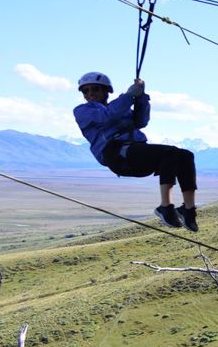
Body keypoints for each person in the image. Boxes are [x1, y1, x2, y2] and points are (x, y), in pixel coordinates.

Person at [74, 72, 198, 231]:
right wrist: (128, 95)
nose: (90, 94)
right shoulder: (82, 111)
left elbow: (141, 121)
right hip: (116, 153)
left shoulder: (119, 107)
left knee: (186, 155)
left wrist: (141, 97)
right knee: (171, 153)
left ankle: (188, 210)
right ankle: (165, 207)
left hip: (135, 152)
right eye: (85, 91)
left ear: (106, 91)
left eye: (95, 89)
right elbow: (107, 116)